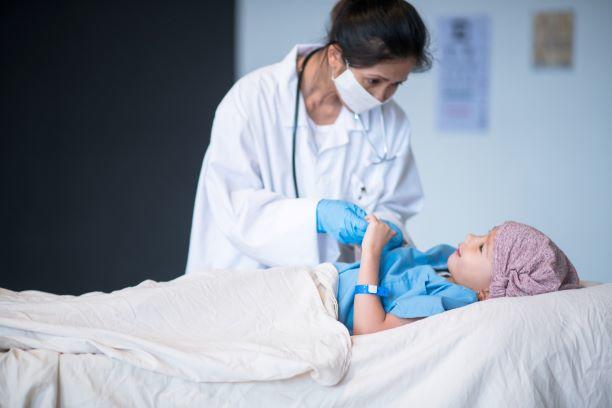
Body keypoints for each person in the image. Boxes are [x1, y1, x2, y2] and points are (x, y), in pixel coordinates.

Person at [186, 0, 432, 273]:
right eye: (373, 81)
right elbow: (233, 205)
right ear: (335, 57)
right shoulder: (251, 101)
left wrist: (384, 229)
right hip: (243, 276)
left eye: (396, 84)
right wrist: (316, 215)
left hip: (331, 288)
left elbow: (395, 205)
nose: (381, 97)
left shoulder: (391, 121)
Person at [336, 216, 581, 335]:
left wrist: (371, 252)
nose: (471, 237)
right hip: (324, 275)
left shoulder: (451, 303)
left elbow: (369, 330)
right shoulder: (445, 258)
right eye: (484, 234)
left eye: (483, 247)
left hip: (324, 302)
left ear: (489, 292)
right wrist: (391, 242)